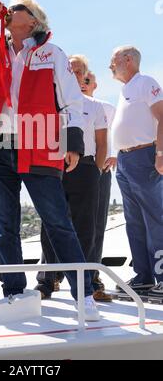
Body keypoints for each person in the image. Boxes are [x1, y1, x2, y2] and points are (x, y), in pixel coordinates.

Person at [0, 0, 100, 320]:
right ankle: (14, 291)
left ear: (33, 20)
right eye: (9, 7)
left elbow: (73, 101)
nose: (11, 10)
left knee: (58, 222)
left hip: (40, 142)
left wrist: (73, 142)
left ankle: (84, 295)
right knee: (5, 225)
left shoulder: (51, 54)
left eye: (19, 8)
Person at [36, 55, 110, 302]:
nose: (74, 76)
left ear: (85, 76)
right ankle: (47, 281)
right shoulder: (50, 104)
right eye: (70, 71)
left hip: (86, 169)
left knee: (86, 227)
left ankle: (86, 282)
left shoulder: (95, 106)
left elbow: (101, 143)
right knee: (49, 225)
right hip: (53, 168)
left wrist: (96, 172)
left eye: (79, 73)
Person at [110, 45, 163, 296]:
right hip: (125, 161)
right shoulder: (124, 91)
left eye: (114, 60)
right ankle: (143, 277)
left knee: (155, 219)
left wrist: (160, 154)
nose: (110, 65)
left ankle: (162, 276)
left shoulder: (145, 82)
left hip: (144, 157)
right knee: (134, 222)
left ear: (127, 60)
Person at [81, 70, 116, 292]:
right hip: (69, 170)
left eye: (87, 80)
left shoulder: (107, 108)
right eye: (79, 79)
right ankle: (50, 276)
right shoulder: (65, 105)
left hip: (99, 171)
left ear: (95, 84)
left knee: (96, 226)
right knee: (56, 224)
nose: (82, 83)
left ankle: (92, 276)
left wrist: (117, 154)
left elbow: (121, 132)